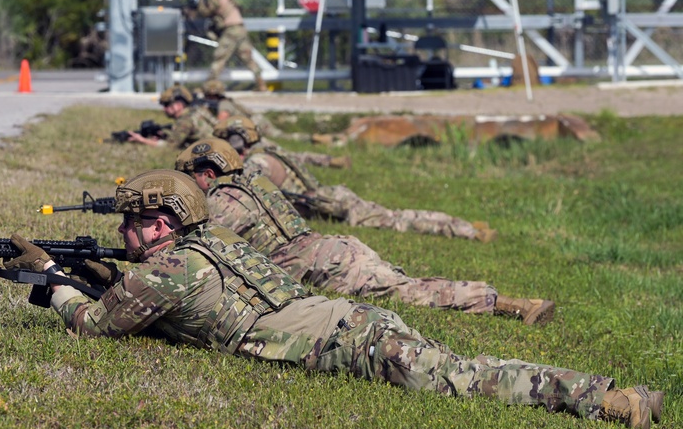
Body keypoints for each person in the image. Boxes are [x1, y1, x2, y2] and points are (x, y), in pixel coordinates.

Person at [4, 169, 664, 429]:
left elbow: (94, 324)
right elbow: (162, 296)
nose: (122, 233)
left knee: (470, 379)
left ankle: (609, 400)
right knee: (464, 366)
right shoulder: (214, 248)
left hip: (349, 341)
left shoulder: (165, 272)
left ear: (160, 224)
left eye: (131, 223)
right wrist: (97, 268)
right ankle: (608, 396)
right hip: (355, 323)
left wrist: (56, 282)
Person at [174, 137, 554, 325]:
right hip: (330, 249)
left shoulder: (223, 199)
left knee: (411, 291)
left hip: (324, 264)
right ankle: (505, 301)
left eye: (190, 178)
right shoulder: (253, 180)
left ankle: (511, 304)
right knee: (407, 285)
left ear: (208, 173)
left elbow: (197, 245)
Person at [214, 116, 497, 242]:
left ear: (236, 141)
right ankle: (463, 224)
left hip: (330, 205)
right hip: (333, 194)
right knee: (395, 214)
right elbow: (304, 157)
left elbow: (248, 193)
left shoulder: (256, 162)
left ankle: (469, 233)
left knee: (396, 221)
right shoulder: (271, 148)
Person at [200, 80, 351, 170]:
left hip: (252, 130)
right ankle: (324, 151)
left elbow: (221, 122)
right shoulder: (229, 101)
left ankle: (317, 143)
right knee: (285, 148)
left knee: (284, 148)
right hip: (255, 124)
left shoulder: (223, 105)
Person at [197, 0, 268, 92]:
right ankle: (261, 83)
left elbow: (205, 12)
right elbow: (239, 7)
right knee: (247, 58)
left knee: (220, 57)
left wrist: (200, 1)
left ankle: (209, 85)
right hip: (240, 28)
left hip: (231, 31)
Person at [128, 84, 216, 149]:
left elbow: (169, 146)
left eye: (166, 105)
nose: (164, 109)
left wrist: (142, 140)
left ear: (178, 105)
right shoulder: (198, 110)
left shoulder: (185, 121)